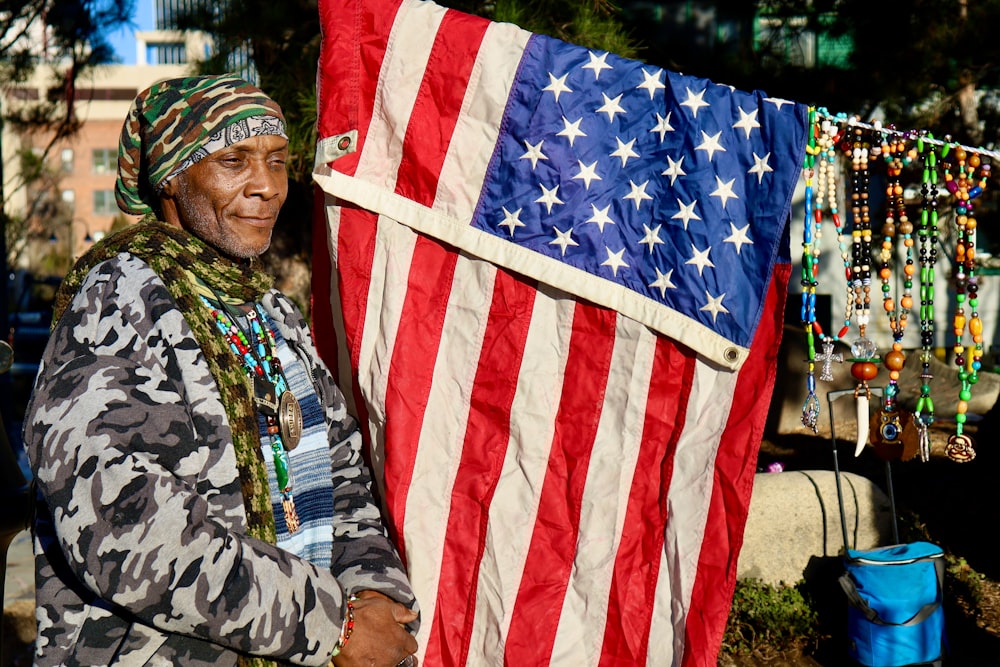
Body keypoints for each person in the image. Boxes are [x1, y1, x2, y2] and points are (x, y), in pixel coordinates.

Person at [24, 74, 419, 667]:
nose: (267, 187)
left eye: (279, 162)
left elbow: (343, 476)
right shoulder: (120, 299)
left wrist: (371, 593)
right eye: (233, 160)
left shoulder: (270, 312)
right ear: (172, 179)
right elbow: (123, 527)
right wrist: (332, 627)